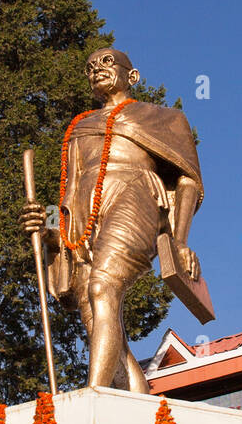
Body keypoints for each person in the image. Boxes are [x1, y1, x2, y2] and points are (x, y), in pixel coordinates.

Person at [20, 48, 203, 392]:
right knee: (93, 311)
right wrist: (45, 223)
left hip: (135, 193)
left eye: (106, 63)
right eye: (89, 67)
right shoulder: (79, 127)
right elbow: (68, 194)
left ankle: (95, 393)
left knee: (104, 287)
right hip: (85, 211)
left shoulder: (164, 118)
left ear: (132, 76)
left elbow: (188, 179)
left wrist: (180, 241)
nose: (95, 70)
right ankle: (138, 398)